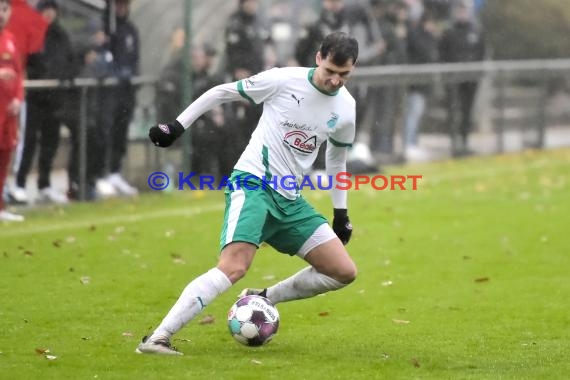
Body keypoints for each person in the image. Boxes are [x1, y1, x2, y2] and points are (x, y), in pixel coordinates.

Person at [137, 31, 358, 355]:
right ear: (318, 58)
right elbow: (220, 92)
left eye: (344, 75)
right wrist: (176, 126)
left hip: (290, 199)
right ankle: (157, 339)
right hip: (253, 183)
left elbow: (337, 160)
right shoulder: (284, 81)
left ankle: (265, 297)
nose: (336, 81)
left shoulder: (347, 108)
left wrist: (341, 212)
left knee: (343, 271)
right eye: (330, 72)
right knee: (233, 267)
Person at [11, 0, 73, 204]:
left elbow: (69, 61)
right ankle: (19, 183)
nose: (49, 14)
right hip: (34, 97)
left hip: (54, 99)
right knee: (28, 141)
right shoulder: (31, 32)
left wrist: (63, 77)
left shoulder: (61, 35)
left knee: (50, 142)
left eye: (52, 10)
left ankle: (44, 184)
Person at [95, 0, 139, 196]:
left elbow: (134, 58)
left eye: (124, 5)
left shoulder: (130, 30)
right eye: (118, 5)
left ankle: (114, 171)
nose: (121, 8)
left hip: (125, 92)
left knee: (121, 131)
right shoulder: (104, 29)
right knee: (105, 132)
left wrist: (129, 74)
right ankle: (100, 174)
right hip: (107, 94)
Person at [439, 1, 485, 155]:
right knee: (453, 110)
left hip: (471, 79)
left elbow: (481, 52)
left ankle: (464, 141)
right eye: (460, 10)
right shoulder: (449, 32)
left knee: (467, 111)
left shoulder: (476, 31)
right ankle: (454, 143)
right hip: (453, 78)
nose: (462, 13)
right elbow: (442, 53)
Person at [0, 0, 25, 221]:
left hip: (8, 112)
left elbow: (19, 74)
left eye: (4, 8)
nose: (1, 13)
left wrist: (18, 98)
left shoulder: (10, 40)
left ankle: (0, 206)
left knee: (5, 155)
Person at [403, 10, 438, 161]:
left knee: (417, 114)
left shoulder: (423, 35)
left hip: (422, 83)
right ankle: (409, 144)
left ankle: (413, 143)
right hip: (416, 83)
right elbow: (424, 52)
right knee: (413, 113)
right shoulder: (417, 35)